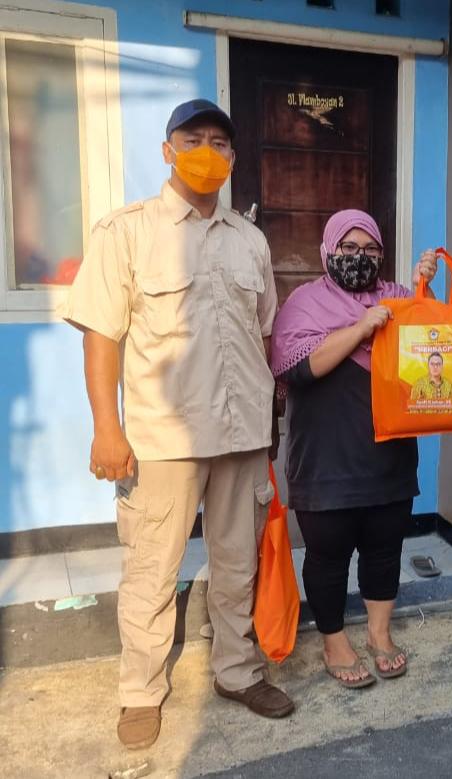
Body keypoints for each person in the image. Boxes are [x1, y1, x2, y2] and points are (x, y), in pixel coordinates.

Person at [64, 99, 294, 751]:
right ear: (167, 151)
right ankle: (141, 689)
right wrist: (106, 428)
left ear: (233, 158)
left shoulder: (250, 240)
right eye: (193, 140)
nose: (206, 152)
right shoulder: (126, 231)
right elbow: (101, 335)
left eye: (219, 142)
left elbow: (265, 333)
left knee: (237, 564)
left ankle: (237, 670)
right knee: (151, 567)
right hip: (162, 439)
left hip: (242, 435)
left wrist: (270, 414)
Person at [270, 210, 437, 688]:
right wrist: (362, 328)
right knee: (328, 556)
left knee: (384, 550)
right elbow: (298, 368)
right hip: (325, 461)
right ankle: (334, 642)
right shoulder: (304, 304)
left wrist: (421, 291)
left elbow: (433, 345)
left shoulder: (396, 297)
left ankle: (380, 634)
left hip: (389, 457)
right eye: (349, 247)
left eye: (370, 249)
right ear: (328, 251)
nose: (359, 257)